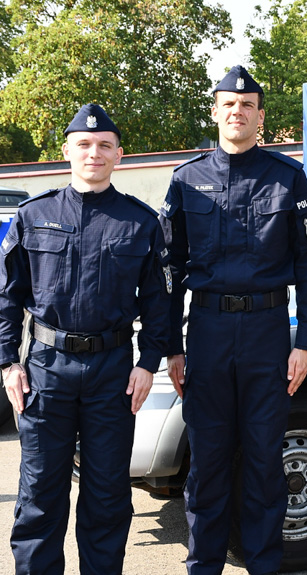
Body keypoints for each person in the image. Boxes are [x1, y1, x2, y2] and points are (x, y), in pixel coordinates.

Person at [159, 65, 307, 575]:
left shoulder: (288, 177)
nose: (238, 112)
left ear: (259, 116)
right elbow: (168, 267)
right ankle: (203, 565)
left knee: (262, 460)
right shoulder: (186, 180)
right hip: (206, 334)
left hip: (267, 333)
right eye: (229, 105)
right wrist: (171, 346)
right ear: (215, 111)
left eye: (247, 105)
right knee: (207, 463)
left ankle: (264, 565)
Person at [0, 104, 170, 575]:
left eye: (104, 146)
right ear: (67, 152)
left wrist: (148, 361)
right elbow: (7, 295)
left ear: (119, 155)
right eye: (83, 145)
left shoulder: (139, 222)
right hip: (45, 370)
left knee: (107, 495)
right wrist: (7, 364)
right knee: (40, 495)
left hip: (112, 371)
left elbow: (159, 301)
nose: (93, 153)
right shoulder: (35, 215)